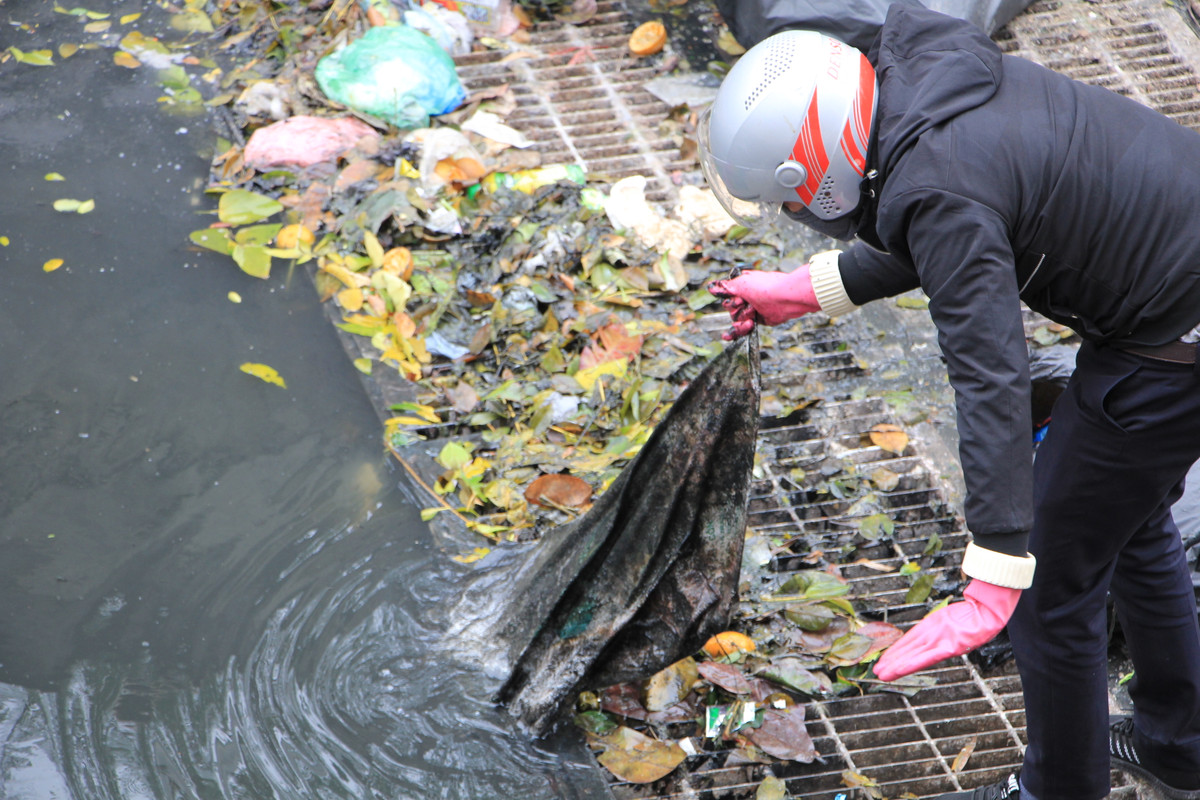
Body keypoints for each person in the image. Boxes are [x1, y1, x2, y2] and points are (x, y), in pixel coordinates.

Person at [699, 4, 1200, 800]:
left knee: (1048, 587)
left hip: (1171, 348)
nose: (793, 216)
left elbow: (990, 375)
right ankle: (1180, 748)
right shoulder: (918, 80)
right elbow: (959, 216)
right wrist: (806, 291)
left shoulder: (939, 186)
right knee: (1124, 517)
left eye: (788, 201)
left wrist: (997, 571)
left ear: (815, 172)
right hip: (1174, 287)